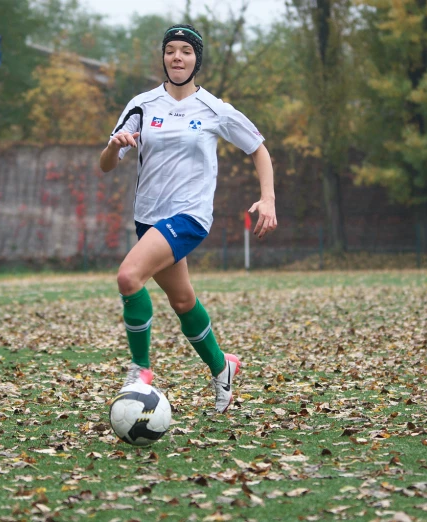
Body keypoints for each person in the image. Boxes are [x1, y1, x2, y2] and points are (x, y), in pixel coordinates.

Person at [99, 24, 277, 413]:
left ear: (197, 59)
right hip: (148, 218)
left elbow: (259, 149)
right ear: (163, 57)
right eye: (171, 51)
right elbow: (107, 165)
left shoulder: (215, 109)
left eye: (186, 51)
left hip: (190, 216)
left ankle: (140, 371)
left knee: (129, 276)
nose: (177, 58)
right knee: (182, 300)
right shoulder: (142, 105)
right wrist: (115, 145)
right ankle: (222, 366)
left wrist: (268, 200)